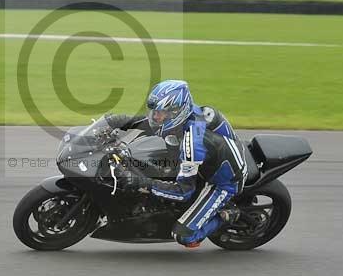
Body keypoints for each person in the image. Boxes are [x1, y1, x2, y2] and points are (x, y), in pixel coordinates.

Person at [105, 80, 250, 248]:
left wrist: (143, 184)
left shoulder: (193, 143)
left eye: (160, 114)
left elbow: (183, 192)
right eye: (154, 112)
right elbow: (151, 123)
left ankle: (229, 214)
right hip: (212, 159)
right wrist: (120, 121)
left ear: (176, 112)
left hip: (223, 182)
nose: (156, 117)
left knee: (183, 235)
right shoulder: (190, 112)